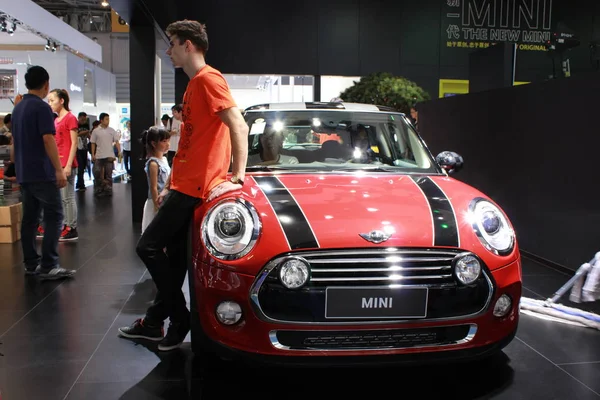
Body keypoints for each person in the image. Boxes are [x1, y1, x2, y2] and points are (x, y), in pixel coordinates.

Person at [118, 19, 249, 351]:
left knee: (147, 247)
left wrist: (238, 174)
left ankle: (180, 317)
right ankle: (158, 324)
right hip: (184, 185)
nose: (168, 50)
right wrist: (171, 183)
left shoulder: (209, 79)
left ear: (188, 45)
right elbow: (189, 145)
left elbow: (238, 125)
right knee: (173, 261)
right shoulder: (193, 85)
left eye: (173, 43)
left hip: (195, 189)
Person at [10, 66, 75, 280]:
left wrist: (15, 164)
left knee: (30, 219)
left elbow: (14, 141)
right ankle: (49, 264)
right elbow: (48, 139)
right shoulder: (42, 108)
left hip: (25, 172)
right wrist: (58, 169)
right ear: (46, 84)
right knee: (55, 215)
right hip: (41, 171)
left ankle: (31, 263)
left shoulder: (18, 109)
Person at [48, 88, 79, 241]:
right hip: (58, 164)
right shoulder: (55, 120)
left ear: (61, 101)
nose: (50, 103)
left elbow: (74, 143)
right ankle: (66, 225)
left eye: (52, 100)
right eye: (49, 101)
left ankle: (71, 227)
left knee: (68, 197)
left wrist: (67, 165)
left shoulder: (70, 118)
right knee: (62, 198)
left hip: (68, 164)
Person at [141, 127, 171, 233]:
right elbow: (153, 187)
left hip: (165, 201)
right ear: (154, 144)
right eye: (164, 141)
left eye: (168, 141)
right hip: (157, 203)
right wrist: (156, 207)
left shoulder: (164, 160)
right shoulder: (153, 164)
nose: (168, 144)